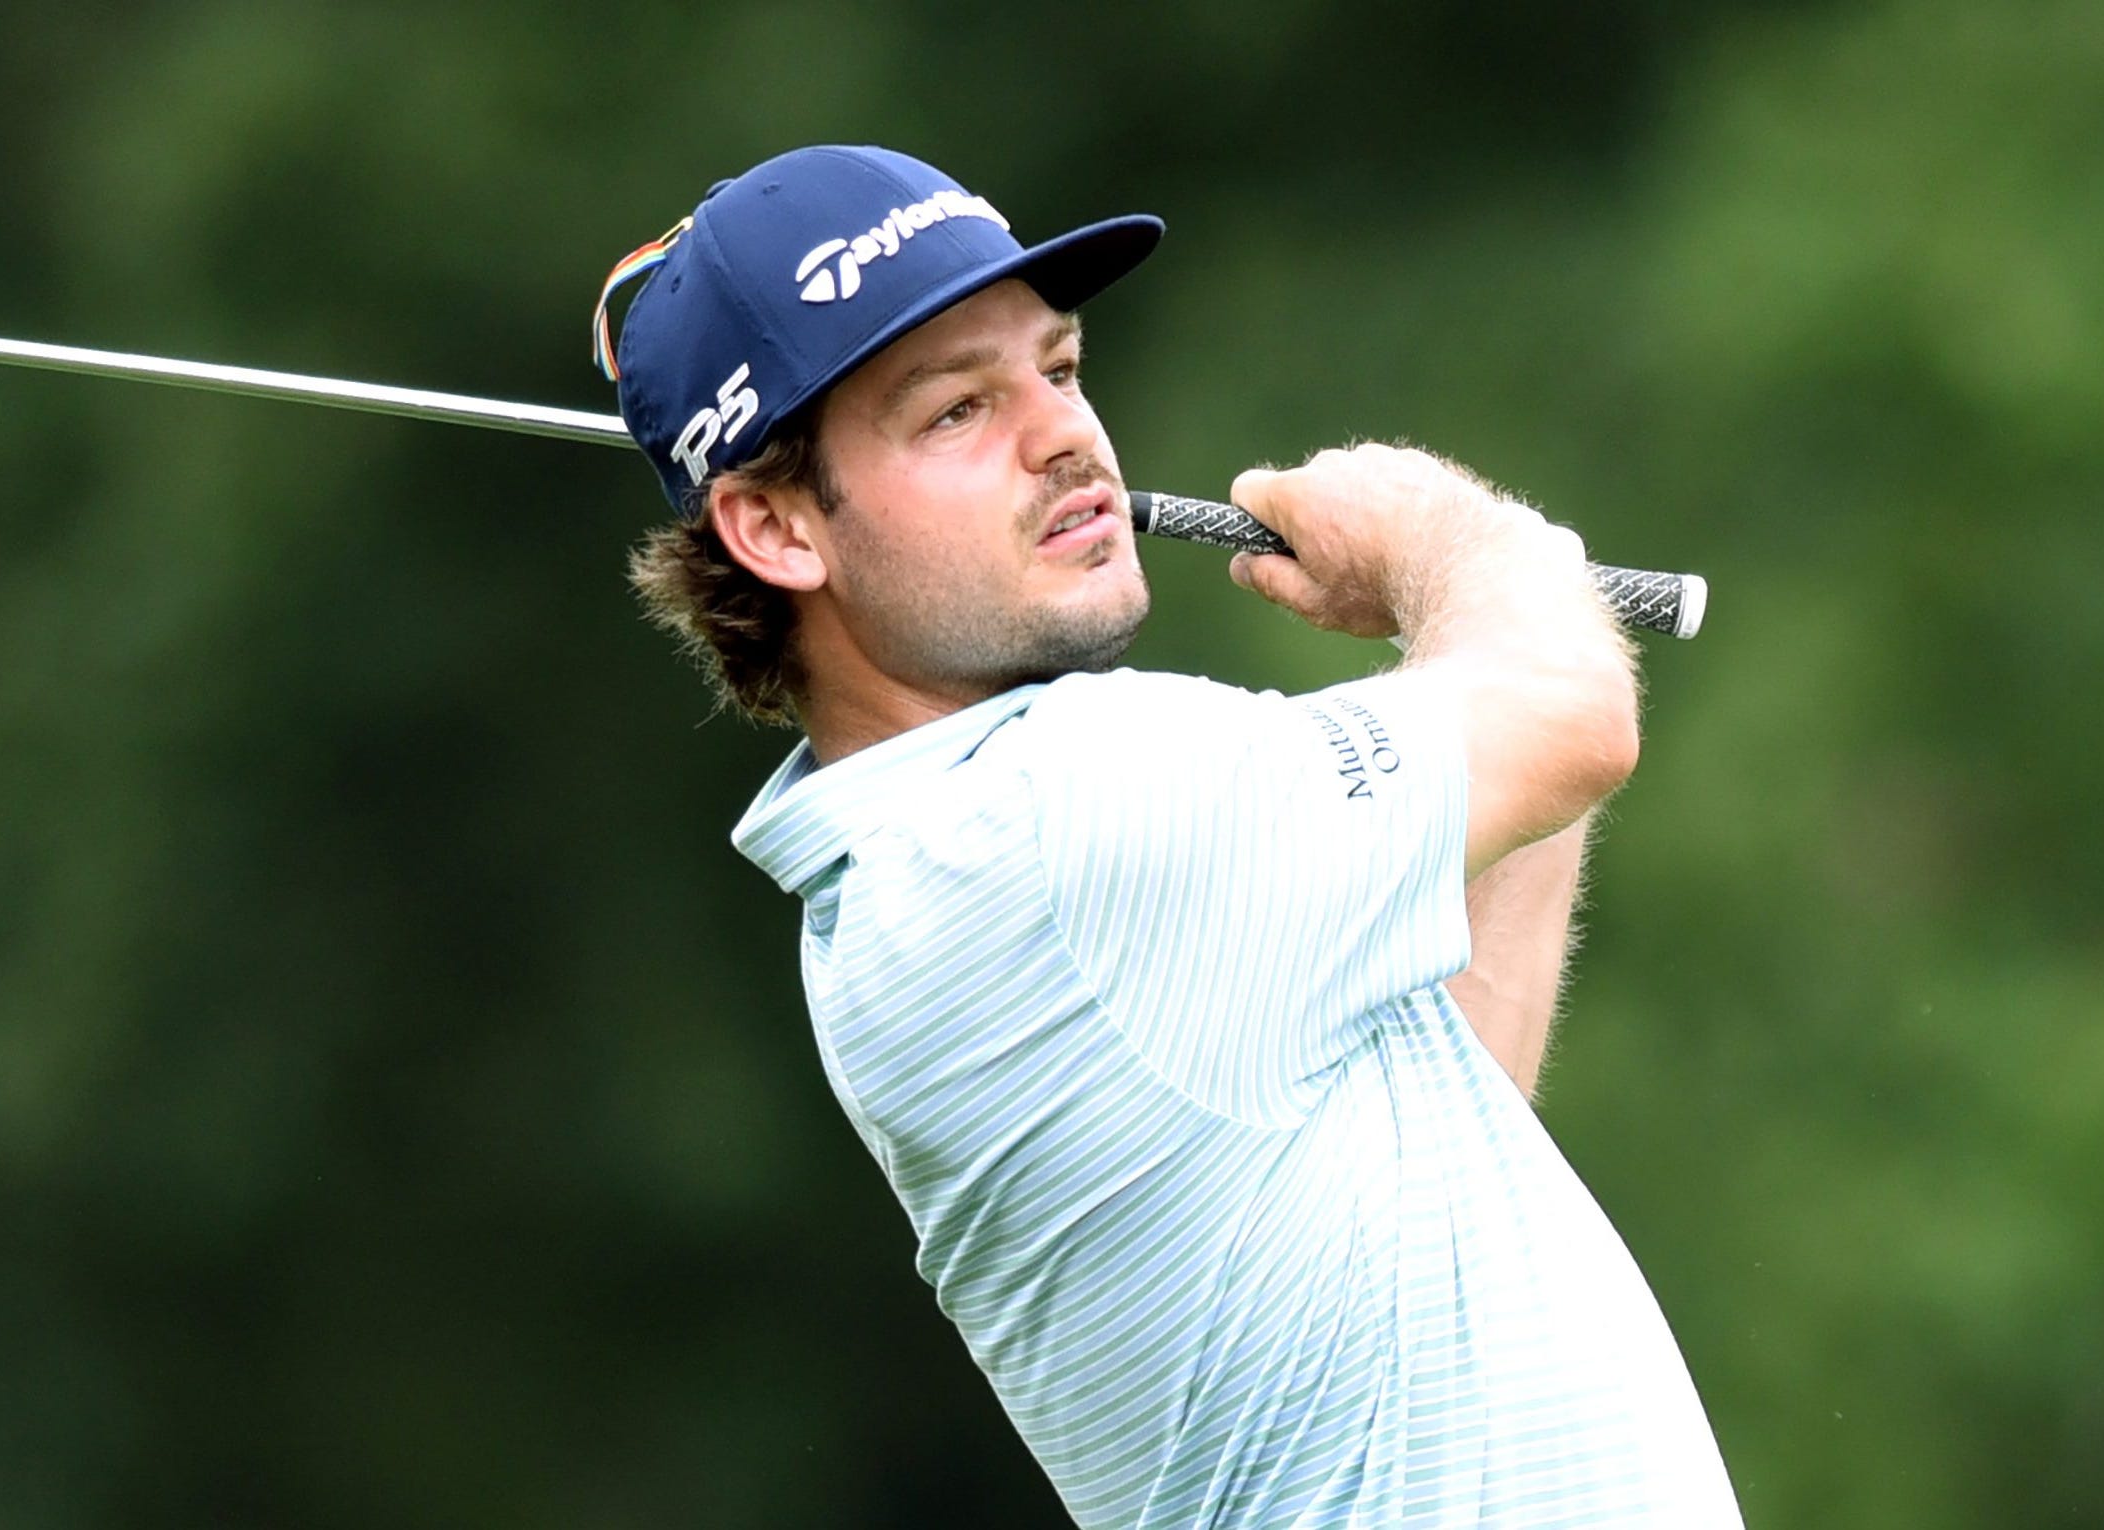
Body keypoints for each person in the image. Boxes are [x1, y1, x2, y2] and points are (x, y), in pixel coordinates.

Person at [594, 144, 1745, 1529]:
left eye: (1059, 368)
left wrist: (1495, 618)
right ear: (777, 529)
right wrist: (1459, 542)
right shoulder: (1052, 814)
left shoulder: (931, 863)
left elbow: (1449, 1108)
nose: (1065, 436)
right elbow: (1570, 716)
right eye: (959, 409)